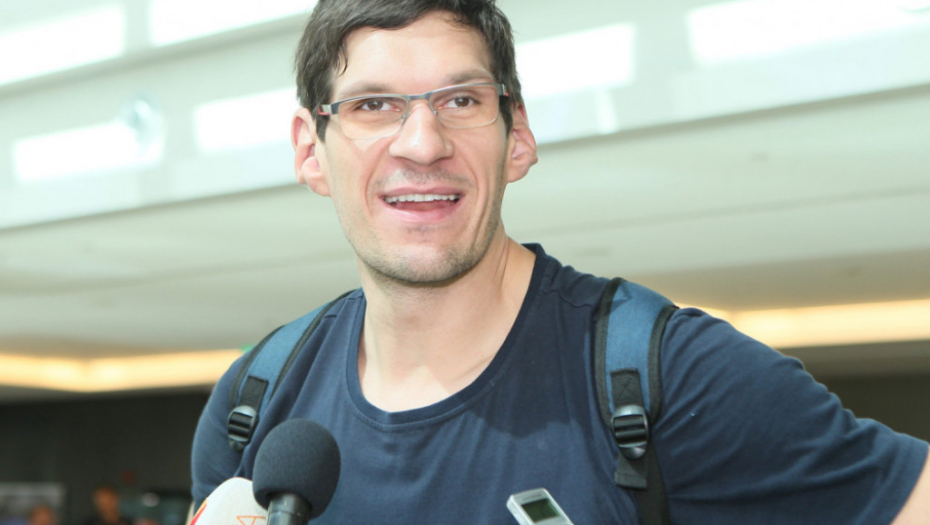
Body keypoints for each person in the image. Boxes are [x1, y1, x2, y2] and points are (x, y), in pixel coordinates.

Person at [191, 0, 930, 523]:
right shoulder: (254, 405)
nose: (422, 143)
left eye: (461, 100)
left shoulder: (671, 376)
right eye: (372, 105)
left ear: (517, 138)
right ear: (309, 150)